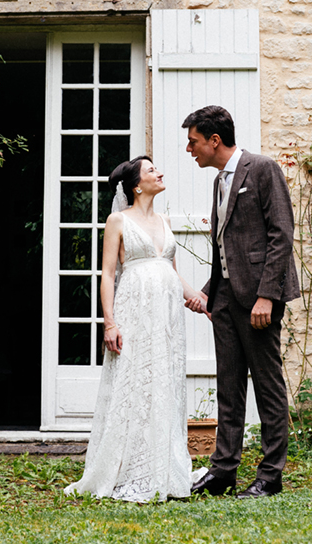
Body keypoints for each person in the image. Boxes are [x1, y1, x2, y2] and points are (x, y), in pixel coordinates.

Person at [64, 155, 206, 502]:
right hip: (134, 311)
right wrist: (110, 322)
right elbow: (108, 275)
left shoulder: (165, 220)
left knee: (163, 383)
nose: (160, 172)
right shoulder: (118, 221)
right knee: (134, 382)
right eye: (151, 170)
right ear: (136, 186)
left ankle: (163, 464)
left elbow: (171, 272)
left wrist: (201, 300)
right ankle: (128, 467)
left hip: (166, 318)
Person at [182, 105, 300, 499]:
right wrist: (208, 291)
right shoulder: (219, 181)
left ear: (214, 140)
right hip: (226, 300)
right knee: (228, 386)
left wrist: (267, 296)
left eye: (193, 141)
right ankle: (223, 471)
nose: (189, 149)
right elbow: (227, 247)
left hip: (259, 301)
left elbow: (281, 235)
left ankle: (270, 475)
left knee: (267, 387)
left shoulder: (262, 169)